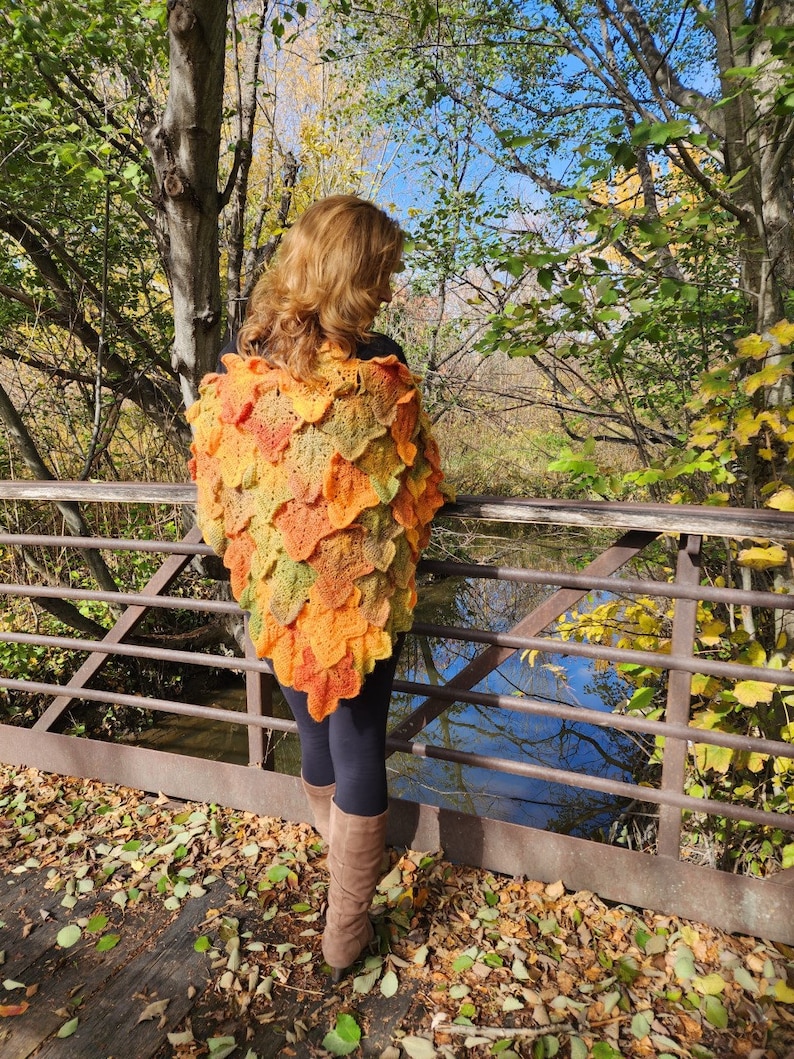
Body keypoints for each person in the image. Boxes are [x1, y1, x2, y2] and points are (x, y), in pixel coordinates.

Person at [187, 195, 447, 980]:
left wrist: (260, 547)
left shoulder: (253, 364)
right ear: (352, 275)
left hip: (284, 596)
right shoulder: (383, 370)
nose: (391, 290)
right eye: (384, 273)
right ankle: (345, 930)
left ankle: (340, 898)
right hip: (358, 601)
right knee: (360, 745)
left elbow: (220, 475)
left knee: (318, 738)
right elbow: (423, 476)